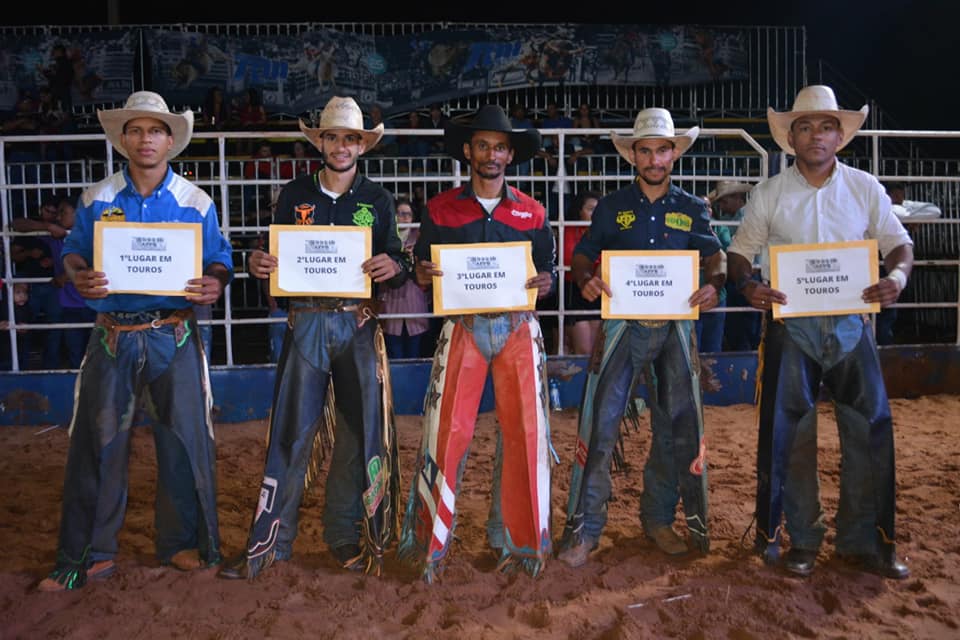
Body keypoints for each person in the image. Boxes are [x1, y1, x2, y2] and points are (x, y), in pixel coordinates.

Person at [37, 91, 233, 591]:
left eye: (156, 130)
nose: (146, 139)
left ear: (171, 140)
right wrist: (78, 274)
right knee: (97, 445)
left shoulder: (196, 201)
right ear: (123, 138)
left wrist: (216, 281)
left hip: (175, 332)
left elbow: (218, 259)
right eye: (137, 130)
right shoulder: (97, 197)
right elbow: (75, 254)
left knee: (185, 442)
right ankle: (89, 554)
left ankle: (182, 544)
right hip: (114, 335)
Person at [217, 95, 409, 580]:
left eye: (350, 138)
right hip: (305, 322)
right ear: (320, 141)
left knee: (358, 432)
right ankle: (270, 542)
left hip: (358, 323)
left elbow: (396, 260)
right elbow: (272, 254)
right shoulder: (293, 194)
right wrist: (256, 264)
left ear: (362, 145)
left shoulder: (378, 200)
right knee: (289, 430)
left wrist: (395, 266)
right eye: (332, 136)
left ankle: (345, 533)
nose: (341, 145)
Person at [727, 85, 913, 580]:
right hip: (791, 323)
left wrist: (896, 278)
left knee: (869, 428)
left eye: (825, 126)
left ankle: (865, 541)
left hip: (854, 322)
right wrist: (747, 284)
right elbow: (741, 252)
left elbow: (900, 245)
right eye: (805, 126)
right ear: (791, 137)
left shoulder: (866, 188)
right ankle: (803, 539)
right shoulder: (769, 193)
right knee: (793, 432)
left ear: (839, 136)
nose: (816, 135)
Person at [557, 107, 724, 568]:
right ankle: (587, 529)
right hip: (621, 327)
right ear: (634, 154)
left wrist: (716, 282)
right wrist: (586, 278)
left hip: (675, 328)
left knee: (673, 429)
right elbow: (583, 256)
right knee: (601, 424)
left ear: (674, 153)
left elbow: (716, 256)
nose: (654, 159)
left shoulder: (693, 209)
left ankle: (658, 519)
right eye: (645, 150)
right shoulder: (612, 206)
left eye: (662, 150)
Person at [398, 104, 557, 582]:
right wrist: (420, 273)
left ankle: (519, 543)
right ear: (468, 151)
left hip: (516, 326)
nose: (492, 154)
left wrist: (546, 283)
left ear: (511, 155)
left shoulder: (534, 212)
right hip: (463, 325)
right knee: (447, 433)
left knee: (526, 436)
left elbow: (545, 273)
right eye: (483, 145)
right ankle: (429, 545)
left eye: (501, 146)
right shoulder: (440, 209)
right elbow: (421, 269)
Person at [10, 196, 65, 369]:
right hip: (29, 285)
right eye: (48, 211)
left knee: (54, 329)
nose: (51, 216)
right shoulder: (31, 226)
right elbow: (15, 228)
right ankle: (22, 366)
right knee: (23, 327)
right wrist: (29, 254)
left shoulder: (64, 228)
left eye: (56, 213)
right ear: (41, 209)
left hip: (55, 285)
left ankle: (52, 367)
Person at [708, 181, 760, 351]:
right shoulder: (728, 220)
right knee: (742, 323)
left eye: (724, 201)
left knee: (744, 322)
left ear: (737, 198)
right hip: (742, 273)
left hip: (746, 273)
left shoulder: (746, 217)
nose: (721, 206)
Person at [379, 198, 429, 359]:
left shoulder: (420, 237)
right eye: (399, 214)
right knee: (394, 354)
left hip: (415, 304)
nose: (404, 218)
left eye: (407, 214)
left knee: (415, 354)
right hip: (390, 304)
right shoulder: (386, 237)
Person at [561, 190, 602, 355]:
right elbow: (567, 260)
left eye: (598, 210)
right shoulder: (569, 231)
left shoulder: (605, 234)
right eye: (590, 209)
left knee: (599, 349)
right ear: (580, 211)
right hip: (575, 290)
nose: (595, 214)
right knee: (583, 348)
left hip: (600, 291)